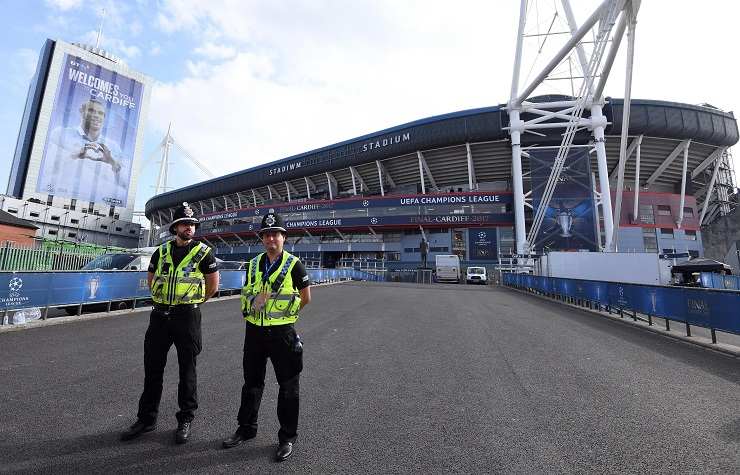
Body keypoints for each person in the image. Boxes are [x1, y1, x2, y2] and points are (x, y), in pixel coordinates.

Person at [121, 202, 219, 444]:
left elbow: (213, 286)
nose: (190, 228)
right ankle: (146, 419)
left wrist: (193, 303)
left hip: (187, 317)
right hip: (160, 317)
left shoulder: (204, 253)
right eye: (185, 224)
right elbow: (152, 278)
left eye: (193, 225)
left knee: (187, 371)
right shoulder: (161, 251)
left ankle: (185, 419)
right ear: (175, 227)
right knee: (153, 370)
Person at [222, 211, 312, 462]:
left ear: (284, 237)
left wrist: (284, 317)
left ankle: (287, 438)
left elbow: (305, 298)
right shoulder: (252, 264)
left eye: (276, 234)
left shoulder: (295, 265)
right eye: (267, 234)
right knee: (251, 383)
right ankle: (246, 428)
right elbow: (245, 294)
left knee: (288, 387)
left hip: (282, 333)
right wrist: (256, 301)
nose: (271, 238)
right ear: (262, 238)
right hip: (254, 332)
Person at [39, 98, 127, 204]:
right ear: (81, 112)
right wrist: (73, 155)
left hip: (99, 203)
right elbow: (45, 169)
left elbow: (124, 187)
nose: (96, 115)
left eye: (100, 113)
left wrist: (112, 162)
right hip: (59, 197)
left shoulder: (114, 146)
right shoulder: (60, 134)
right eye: (91, 111)